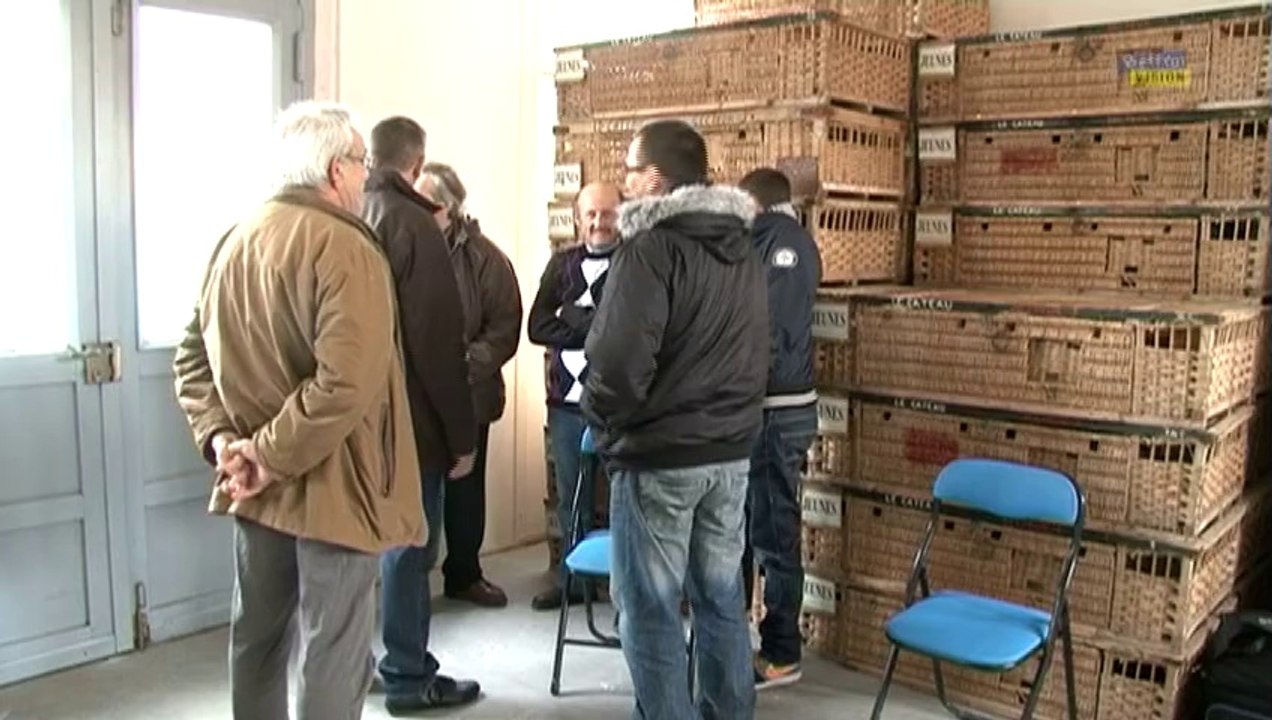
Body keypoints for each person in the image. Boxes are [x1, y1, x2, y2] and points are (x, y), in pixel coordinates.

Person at [173, 100, 423, 720]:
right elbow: (345, 382)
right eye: (362, 164)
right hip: (335, 487)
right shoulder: (344, 246)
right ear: (336, 171)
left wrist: (224, 443)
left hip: (254, 487)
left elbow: (189, 360)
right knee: (333, 650)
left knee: (257, 640)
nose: (367, 178)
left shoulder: (233, 240)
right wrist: (258, 454)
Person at [582, 119, 768, 720]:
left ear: (655, 178)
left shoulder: (650, 248)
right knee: (720, 599)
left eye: (631, 171)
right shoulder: (742, 249)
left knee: (651, 607)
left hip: (660, 456)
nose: (624, 182)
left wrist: (606, 424)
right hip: (730, 455)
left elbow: (615, 358)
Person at [361, 116, 480, 713]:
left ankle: (372, 663)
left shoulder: (347, 215)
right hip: (411, 425)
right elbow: (437, 342)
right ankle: (408, 674)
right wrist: (462, 434)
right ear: (416, 163)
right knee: (411, 548)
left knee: (363, 549)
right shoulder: (413, 225)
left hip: (355, 422)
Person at [414, 162, 523, 609]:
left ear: (451, 208)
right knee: (418, 491)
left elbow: (504, 327)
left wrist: (459, 367)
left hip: (467, 394)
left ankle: (464, 572)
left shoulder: (486, 258)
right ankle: (410, 582)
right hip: (414, 396)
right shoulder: (403, 248)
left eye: (428, 204)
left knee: (465, 487)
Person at [737, 168, 822, 690]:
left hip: (773, 410)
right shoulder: (792, 242)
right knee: (756, 527)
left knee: (772, 532)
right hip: (774, 407)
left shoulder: (778, 244)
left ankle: (781, 651)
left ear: (753, 202)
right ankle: (744, 638)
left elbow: (767, 331)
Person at [526, 181, 623, 611]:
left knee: (625, 496)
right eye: (591, 214)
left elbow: (627, 331)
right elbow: (537, 327)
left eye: (608, 213)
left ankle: (625, 584)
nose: (600, 222)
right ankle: (573, 581)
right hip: (565, 403)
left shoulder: (632, 264)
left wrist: (574, 317)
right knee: (572, 496)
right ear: (578, 218)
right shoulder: (561, 265)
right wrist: (592, 326)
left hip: (619, 404)